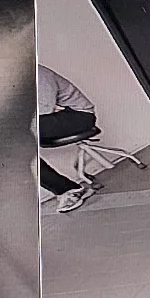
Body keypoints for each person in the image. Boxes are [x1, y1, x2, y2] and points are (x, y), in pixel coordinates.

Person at [35, 65, 98, 212]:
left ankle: (68, 190)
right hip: (59, 115)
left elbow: (44, 108)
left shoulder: (37, 73)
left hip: (79, 116)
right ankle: (68, 190)